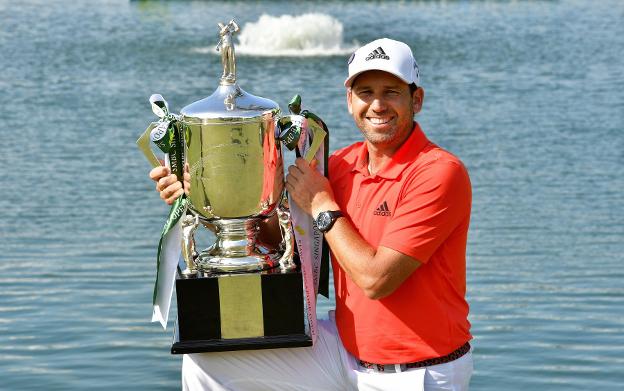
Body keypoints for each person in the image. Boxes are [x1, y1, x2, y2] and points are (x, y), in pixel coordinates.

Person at [150, 38, 473, 391]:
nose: (377, 105)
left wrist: (321, 204)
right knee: (209, 360)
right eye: (365, 92)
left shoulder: (439, 172)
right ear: (350, 101)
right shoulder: (340, 164)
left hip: (419, 370)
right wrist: (200, 193)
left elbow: (377, 280)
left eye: (391, 92)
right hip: (345, 354)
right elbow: (280, 240)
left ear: (417, 100)